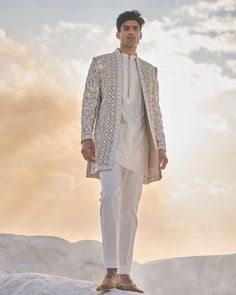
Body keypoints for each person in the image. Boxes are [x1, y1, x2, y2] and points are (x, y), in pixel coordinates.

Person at [80, 10, 168, 293]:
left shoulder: (150, 71)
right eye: (126, 28)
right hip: (108, 143)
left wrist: (162, 146)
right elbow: (89, 101)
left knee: (130, 208)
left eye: (135, 28)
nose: (130, 32)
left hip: (139, 145)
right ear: (117, 33)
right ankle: (110, 269)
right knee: (110, 196)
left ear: (141, 35)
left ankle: (125, 274)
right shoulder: (101, 63)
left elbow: (155, 111)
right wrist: (86, 136)